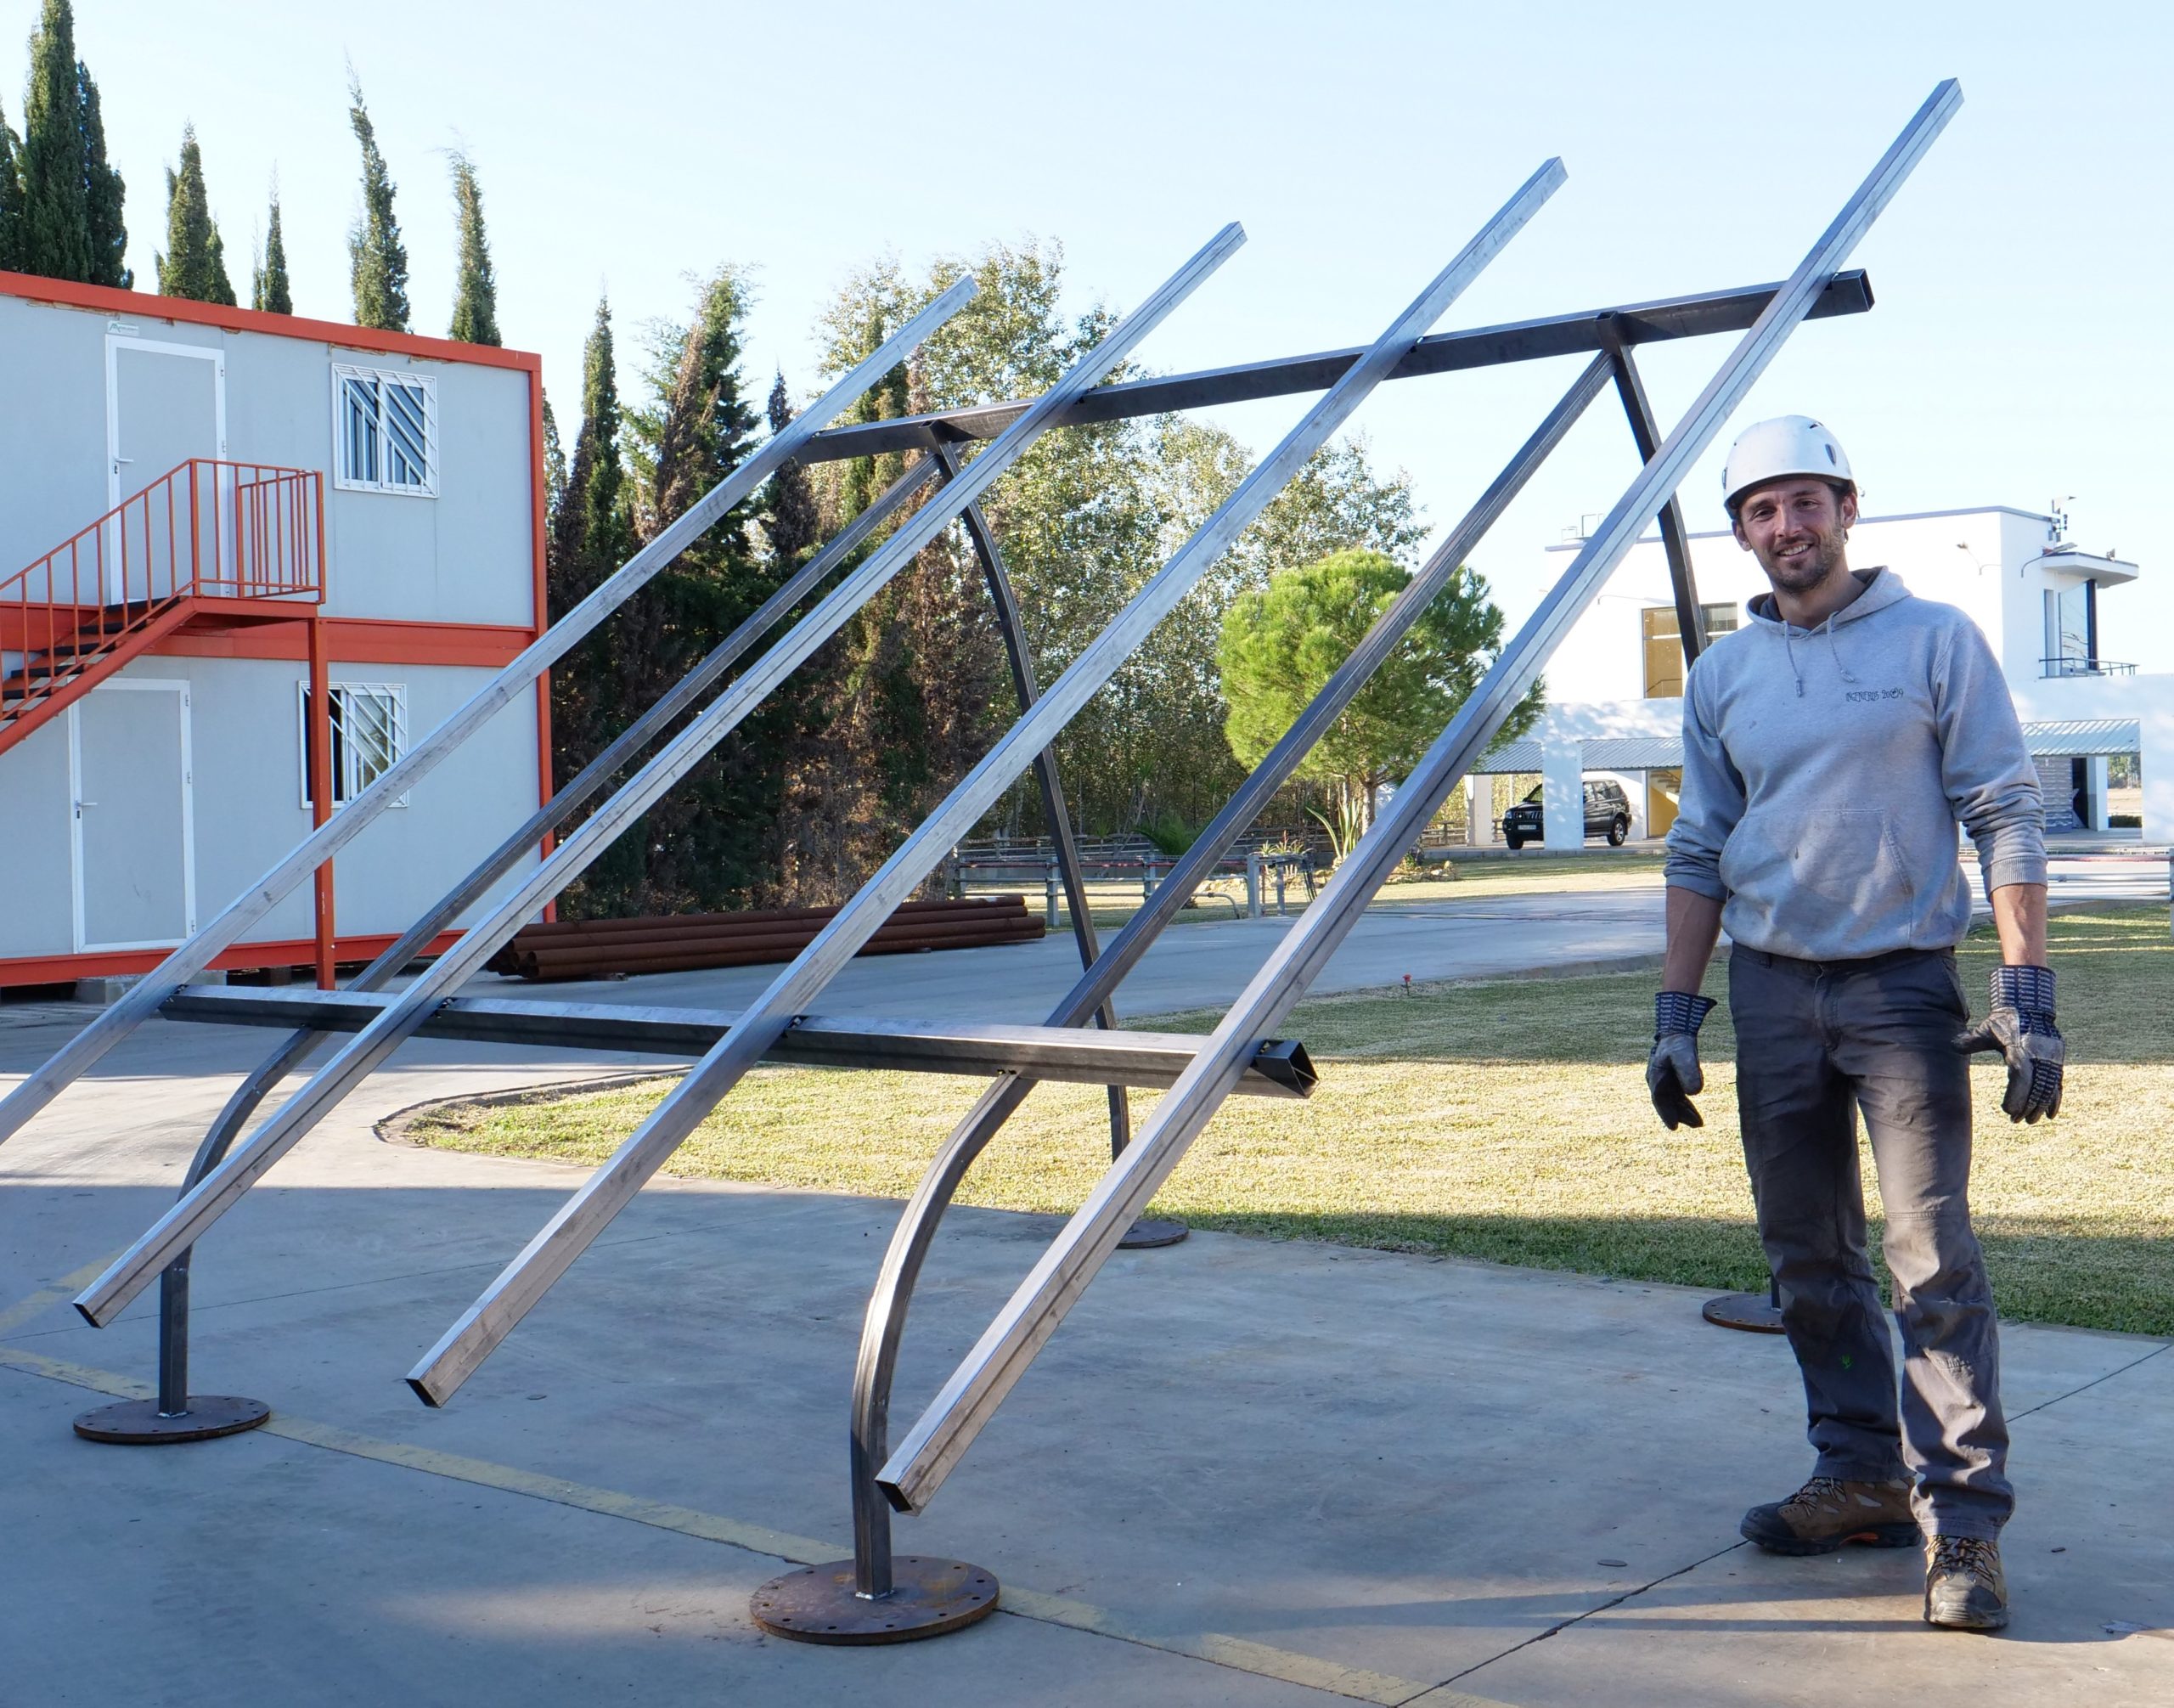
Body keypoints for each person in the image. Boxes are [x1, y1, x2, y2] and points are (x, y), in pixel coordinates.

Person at [1647, 416, 2064, 1633]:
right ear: (1742, 531)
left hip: (1901, 990)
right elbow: (1699, 844)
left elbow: (2005, 811)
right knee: (1806, 1259)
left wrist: (2027, 995)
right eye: (1761, 509)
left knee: (1931, 1259)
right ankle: (1861, 1472)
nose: (1787, 525)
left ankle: (1965, 1525)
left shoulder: (1936, 639)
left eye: (1805, 502)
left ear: (1846, 506)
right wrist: (1675, 1013)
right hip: (1772, 992)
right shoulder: (1723, 674)